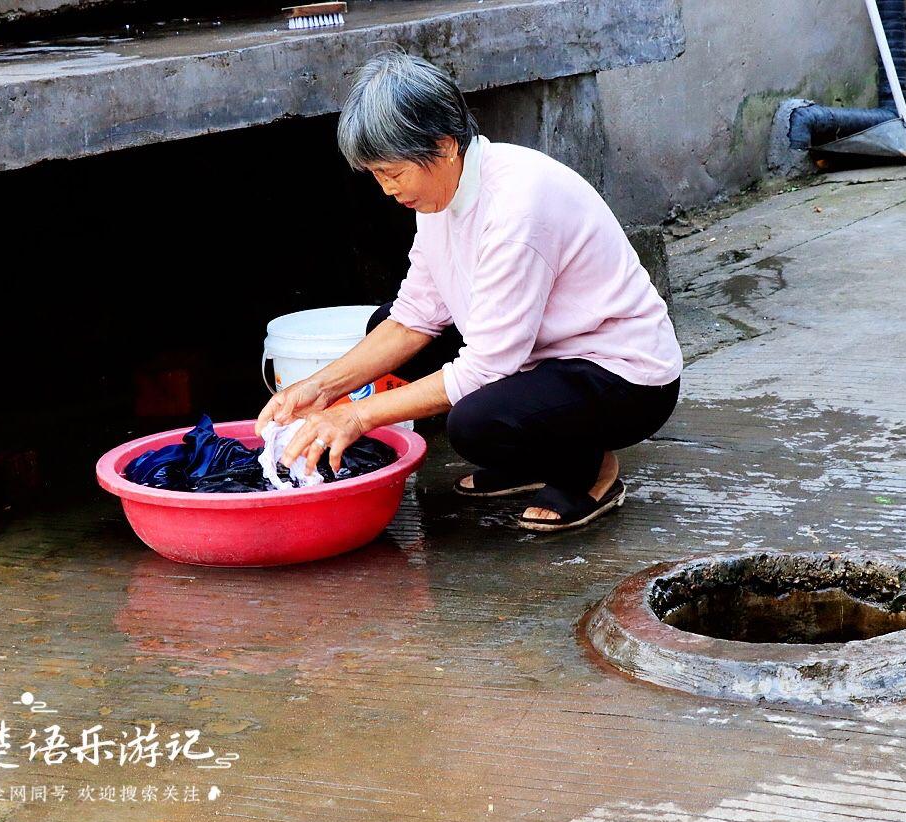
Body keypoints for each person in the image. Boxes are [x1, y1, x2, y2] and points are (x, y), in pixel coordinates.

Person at [255, 49, 682, 532]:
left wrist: (356, 417)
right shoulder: (442, 194)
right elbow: (414, 314)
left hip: (621, 376)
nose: (386, 190)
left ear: (444, 146)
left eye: (392, 174)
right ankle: (533, 454)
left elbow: (485, 368)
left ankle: (589, 471)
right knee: (385, 326)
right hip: (539, 355)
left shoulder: (516, 206)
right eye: (377, 175)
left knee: (476, 424)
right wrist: (320, 387)